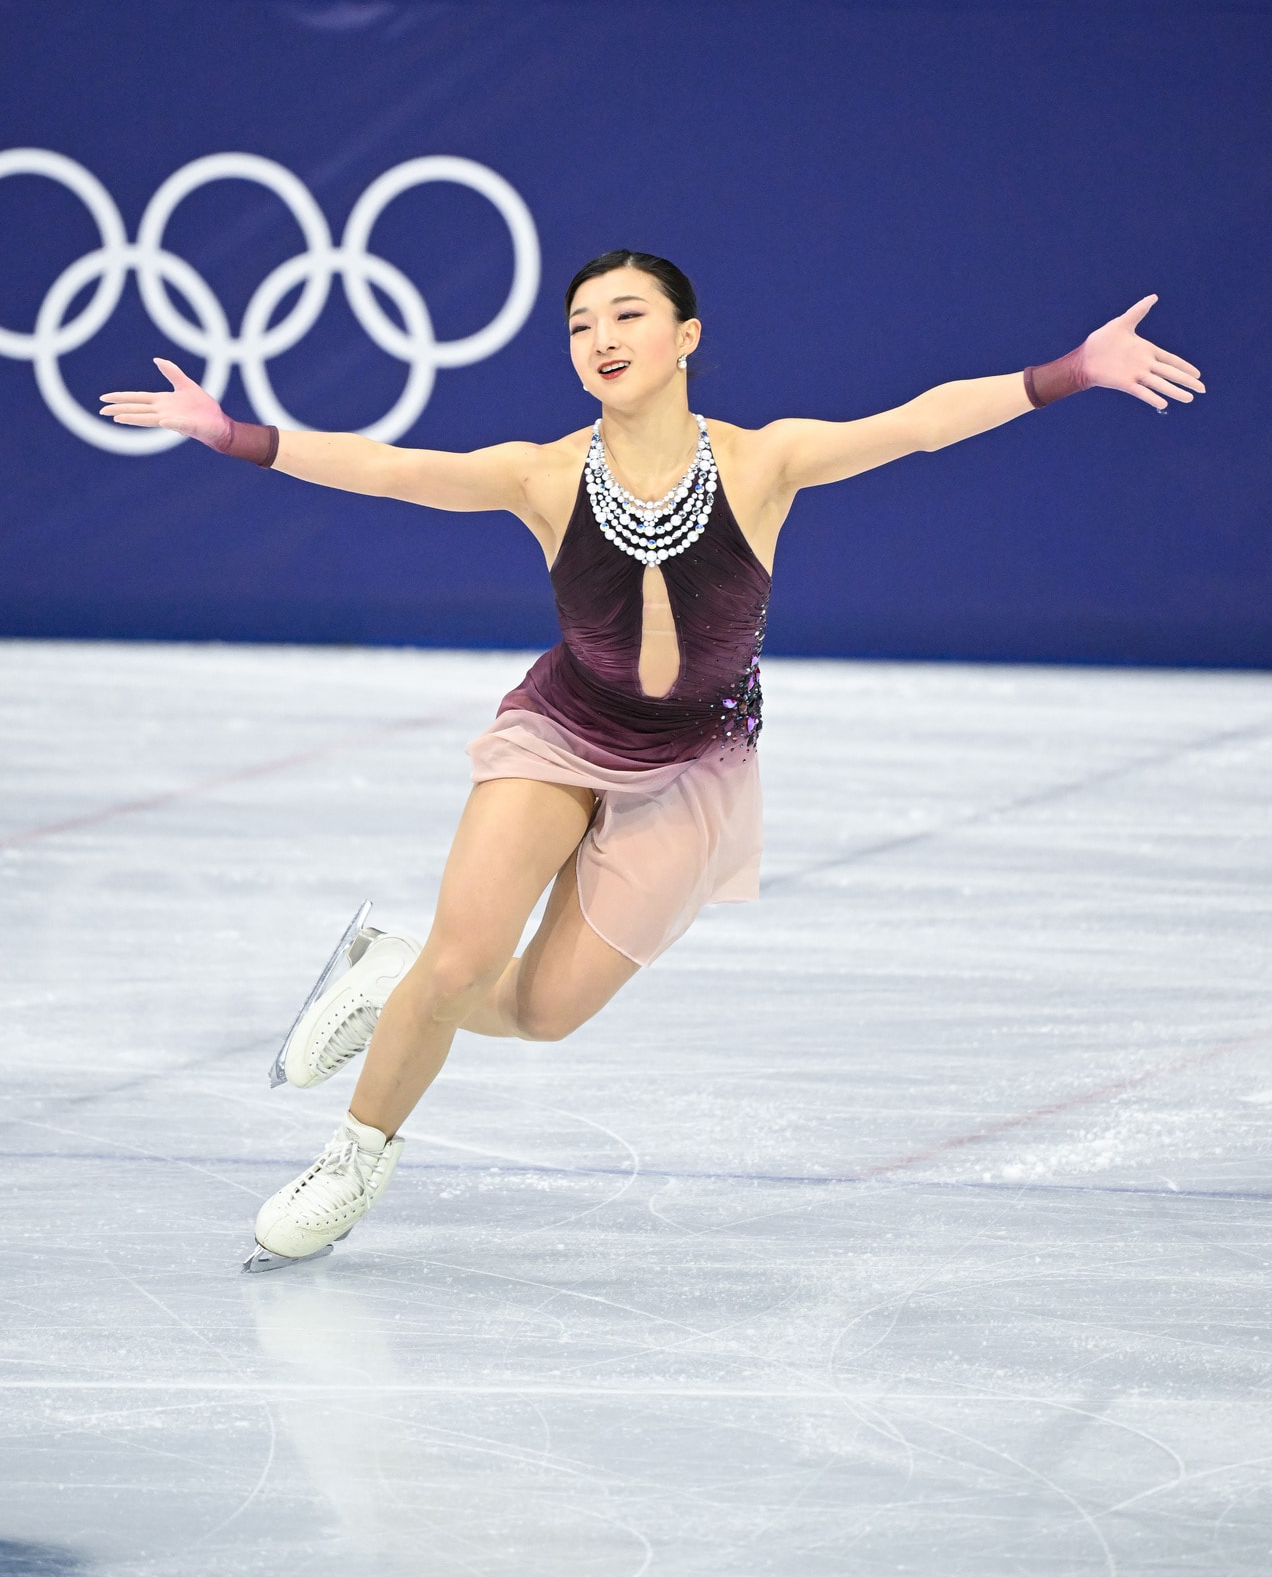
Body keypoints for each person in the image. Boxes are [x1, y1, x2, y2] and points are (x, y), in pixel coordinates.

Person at [99, 249, 1203, 1269]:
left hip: (691, 769)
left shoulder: (766, 462)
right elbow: (392, 470)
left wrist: (1071, 370)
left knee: (539, 1011)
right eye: (580, 322)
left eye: (628, 313)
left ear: (685, 337)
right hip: (559, 737)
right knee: (460, 962)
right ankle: (352, 1162)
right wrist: (235, 433)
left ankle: (382, 972)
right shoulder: (541, 476)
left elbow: (917, 423)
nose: (601, 335)